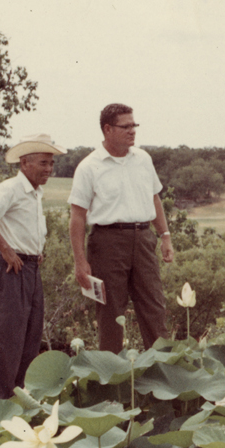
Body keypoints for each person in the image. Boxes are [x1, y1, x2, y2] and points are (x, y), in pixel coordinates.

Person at [68, 103, 174, 353]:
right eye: (125, 126)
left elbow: (154, 199)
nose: (132, 131)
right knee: (110, 312)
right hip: (107, 243)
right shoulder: (89, 166)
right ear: (107, 129)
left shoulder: (144, 160)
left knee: (154, 307)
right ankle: (112, 383)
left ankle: (163, 376)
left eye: (134, 125)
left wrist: (165, 236)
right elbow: (77, 217)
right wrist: (80, 262)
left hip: (144, 239)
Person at [0, 133, 66, 400]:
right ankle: (1, 409)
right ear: (24, 163)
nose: (48, 169)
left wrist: (35, 252)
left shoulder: (36, 193)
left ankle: (19, 403)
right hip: (10, 272)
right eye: (43, 163)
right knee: (7, 343)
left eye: (51, 163)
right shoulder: (9, 189)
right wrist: (6, 249)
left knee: (29, 340)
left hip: (30, 269)